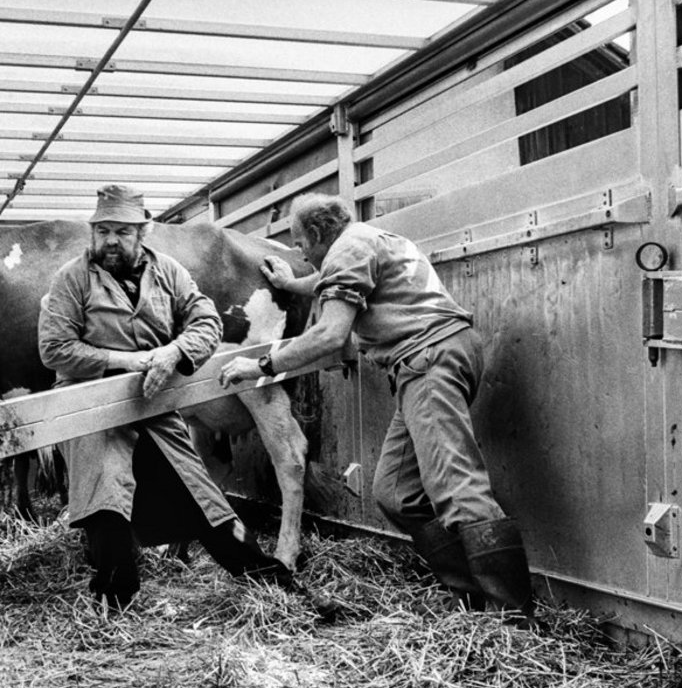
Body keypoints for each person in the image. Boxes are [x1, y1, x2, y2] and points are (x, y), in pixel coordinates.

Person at [219, 193, 534, 620]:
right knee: (396, 493)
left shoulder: (348, 250)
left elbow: (330, 334)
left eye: (299, 241)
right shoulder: (369, 239)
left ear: (317, 233)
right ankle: (469, 598)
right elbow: (330, 279)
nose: (299, 252)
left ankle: (511, 620)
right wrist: (292, 285)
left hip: (429, 360)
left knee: (457, 488)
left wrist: (261, 365)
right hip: (433, 358)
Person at [37, 185, 337, 619]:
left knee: (206, 502)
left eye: (122, 231)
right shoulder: (72, 278)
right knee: (107, 505)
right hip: (95, 413)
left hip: (153, 407)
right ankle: (112, 609)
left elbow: (207, 322)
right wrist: (127, 360)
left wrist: (174, 352)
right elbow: (54, 348)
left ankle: (278, 588)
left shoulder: (168, 272)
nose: (111, 241)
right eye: (103, 231)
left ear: (142, 233)